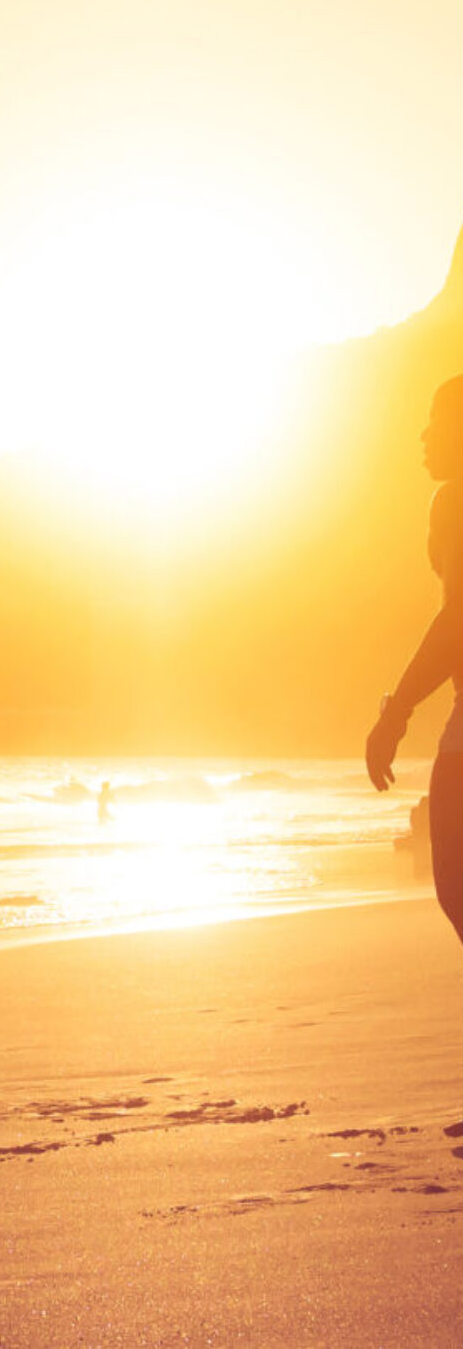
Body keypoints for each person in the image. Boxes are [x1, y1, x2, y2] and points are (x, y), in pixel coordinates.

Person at [366, 376, 463, 1135]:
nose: (422, 436)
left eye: (434, 420)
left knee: (455, 883)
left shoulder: (452, 500)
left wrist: (395, 712)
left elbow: (457, 615)